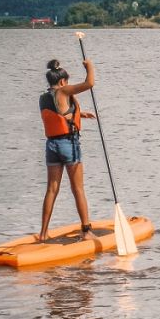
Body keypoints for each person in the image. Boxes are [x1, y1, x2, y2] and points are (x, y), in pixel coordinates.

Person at [39, 57, 96, 242]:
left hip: (51, 146)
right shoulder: (64, 91)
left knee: (51, 189)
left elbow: (59, 115)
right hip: (68, 144)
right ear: (62, 81)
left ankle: (43, 233)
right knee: (78, 188)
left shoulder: (44, 97)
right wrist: (90, 67)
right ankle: (87, 231)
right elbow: (90, 83)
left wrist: (81, 114)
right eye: (67, 82)